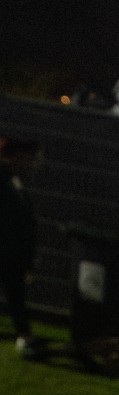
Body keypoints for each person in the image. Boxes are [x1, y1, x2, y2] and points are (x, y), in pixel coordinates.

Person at [0, 136, 41, 359]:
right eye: (31, 158)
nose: (34, 164)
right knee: (16, 295)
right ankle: (23, 335)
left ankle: (23, 334)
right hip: (7, 251)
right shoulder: (6, 180)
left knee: (16, 295)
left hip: (11, 253)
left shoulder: (14, 182)